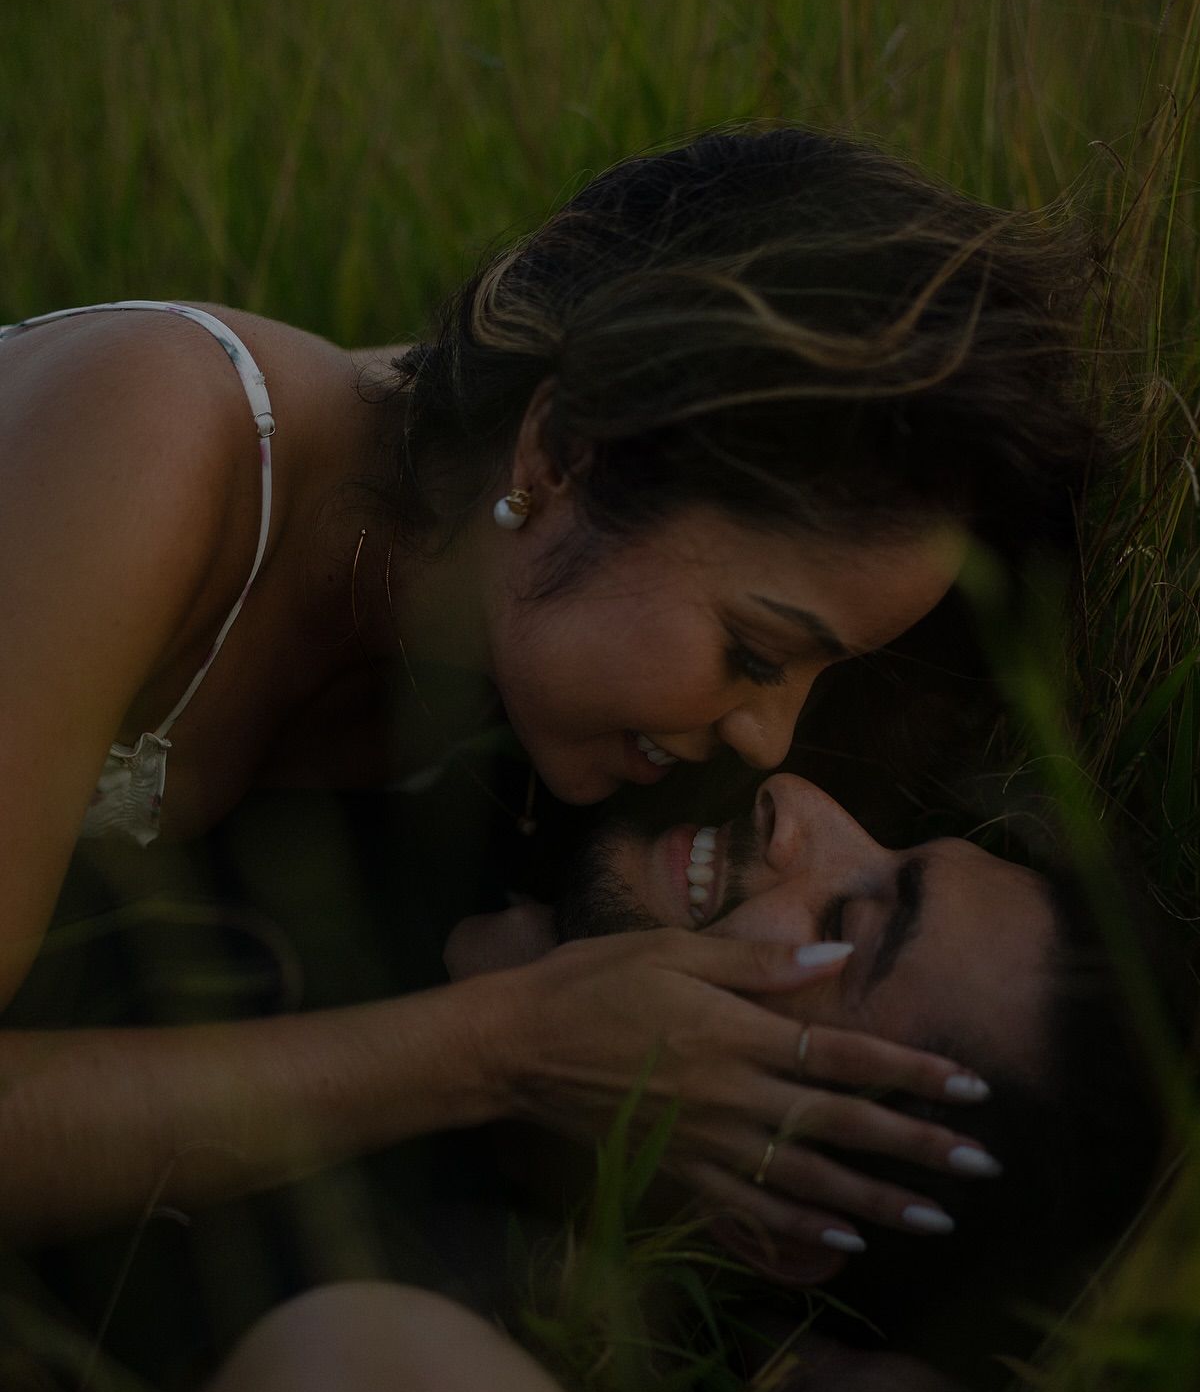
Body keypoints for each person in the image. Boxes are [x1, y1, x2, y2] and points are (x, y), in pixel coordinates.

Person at [0, 124, 1098, 1248]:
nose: (771, 743)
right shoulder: (150, 443)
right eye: (757, 650)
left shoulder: (487, 679)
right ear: (564, 456)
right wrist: (498, 1049)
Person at [165, 772, 1171, 1392]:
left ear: (781, 1212)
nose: (794, 807)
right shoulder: (518, 757)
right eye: (889, 846)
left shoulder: (394, 1287)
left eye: (845, 931)